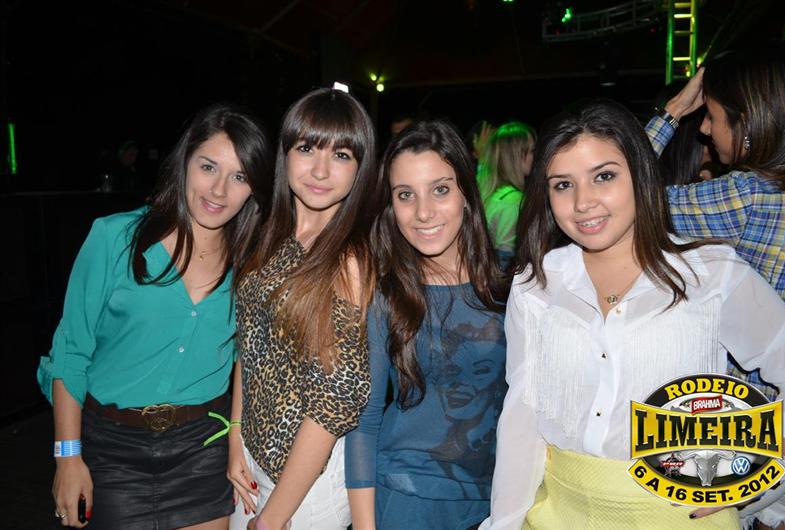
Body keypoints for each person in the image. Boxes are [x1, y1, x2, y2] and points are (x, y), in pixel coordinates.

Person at [481, 99, 785, 529]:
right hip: (560, 511)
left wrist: (762, 464)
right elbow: (522, 418)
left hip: (682, 514)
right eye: (563, 185)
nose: (583, 202)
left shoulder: (711, 274)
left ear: (640, 175)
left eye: (604, 176)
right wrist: (504, 523)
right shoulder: (537, 283)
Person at [37, 103, 274, 529]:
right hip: (112, 451)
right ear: (185, 162)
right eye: (208, 167)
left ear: (254, 189)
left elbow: (247, 357)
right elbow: (71, 352)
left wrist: (236, 435)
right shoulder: (115, 238)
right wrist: (67, 457)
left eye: (239, 177)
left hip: (201, 449)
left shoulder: (252, 264)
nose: (219, 190)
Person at [346, 120, 508, 530]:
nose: (423, 212)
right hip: (407, 501)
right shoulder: (384, 293)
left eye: (440, 190)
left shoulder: (514, 284)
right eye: (406, 195)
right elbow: (364, 422)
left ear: (466, 193)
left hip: (499, 500)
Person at [229, 87, 378, 530]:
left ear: (360, 169)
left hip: (305, 487)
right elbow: (249, 345)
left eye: (341, 155)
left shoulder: (348, 259)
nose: (320, 170)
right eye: (307, 148)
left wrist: (273, 518)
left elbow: (335, 402)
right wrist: (235, 436)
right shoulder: (269, 234)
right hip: (252, 463)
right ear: (286, 153)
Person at [646, 41, 785, 406]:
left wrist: (673, 110)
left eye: (711, 116)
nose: (703, 128)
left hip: (744, 404)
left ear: (745, 124)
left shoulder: (744, 196)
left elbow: (622, 193)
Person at [476, 122, 536, 260]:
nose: (535, 156)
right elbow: (505, 258)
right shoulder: (514, 201)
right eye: (532, 151)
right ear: (516, 156)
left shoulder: (487, 191)